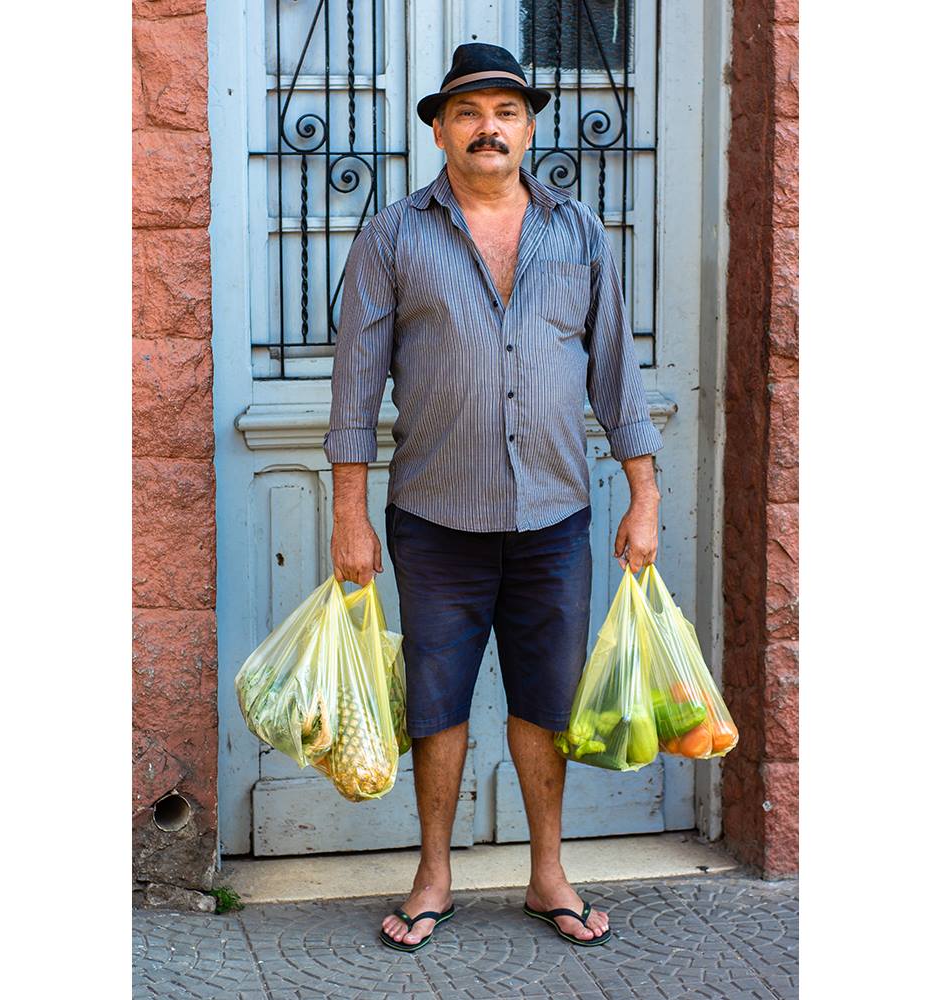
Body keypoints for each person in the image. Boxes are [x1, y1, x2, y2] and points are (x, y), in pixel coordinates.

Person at [322, 42, 663, 953]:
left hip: (556, 515)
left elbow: (617, 380)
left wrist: (644, 494)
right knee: (435, 701)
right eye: (469, 111)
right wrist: (348, 514)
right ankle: (434, 874)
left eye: (506, 111)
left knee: (543, 700)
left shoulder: (577, 233)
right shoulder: (394, 235)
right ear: (439, 128)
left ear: (531, 125)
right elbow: (355, 387)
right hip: (435, 518)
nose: (488, 127)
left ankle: (546, 872)